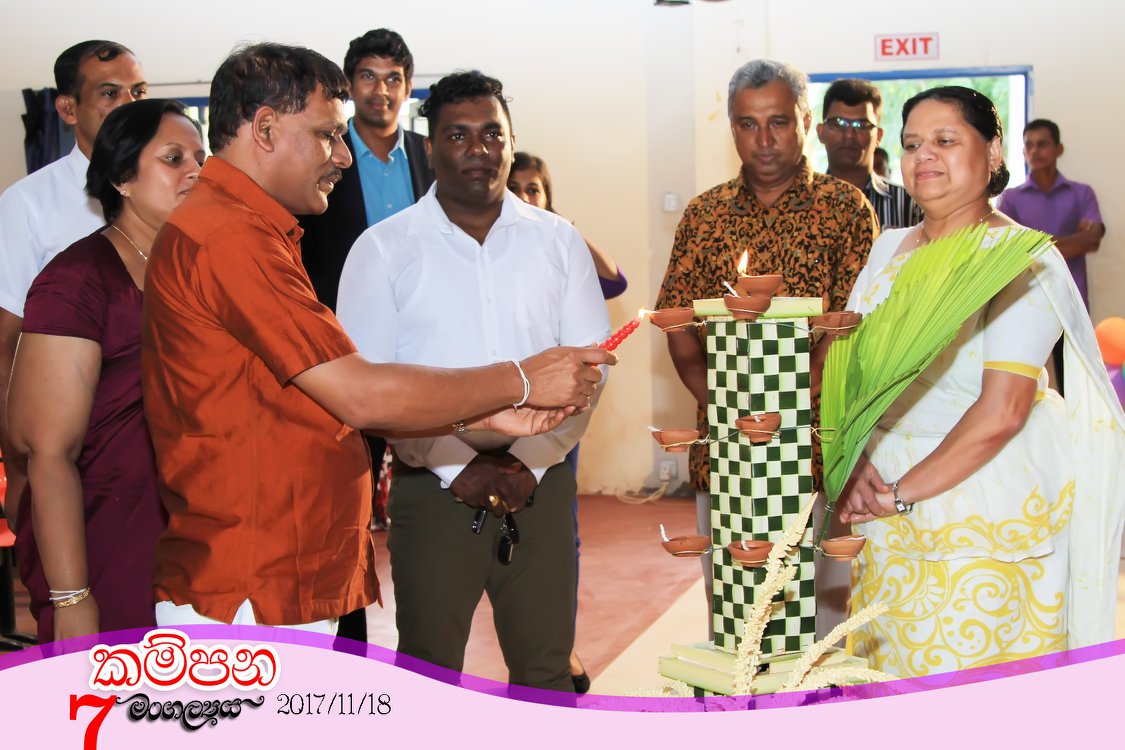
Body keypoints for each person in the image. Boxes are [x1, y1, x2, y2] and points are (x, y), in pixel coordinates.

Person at [142, 44, 613, 634]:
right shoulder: (229, 236)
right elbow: (361, 392)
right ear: (264, 129)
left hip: (278, 565)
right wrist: (518, 381)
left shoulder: (250, 230)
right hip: (252, 581)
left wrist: (494, 412)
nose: (343, 156)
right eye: (327, 135)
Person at [837, 87, 1125, 677]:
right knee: (892, 675)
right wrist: (855, 462)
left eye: (945, 140)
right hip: (882, 492)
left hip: (980, 496)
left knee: (968, 677)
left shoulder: (1018, 258)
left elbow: (1004, 410)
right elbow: (851, 369)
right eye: (912, 144)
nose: (924, 155)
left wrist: (899, 494)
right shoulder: (888, 248)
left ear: (993, 153)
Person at [337, 71, 609, 693]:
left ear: (512, 142)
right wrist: (455, 465)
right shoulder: (383, 250)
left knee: (544, 671)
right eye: (458, 135)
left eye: (492, 133)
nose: (478, 149)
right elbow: (369, 385)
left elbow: (588, 369)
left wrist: (530, 463)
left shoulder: (558, 242)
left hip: (541, 485)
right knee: (429, 671)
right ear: (430, 148)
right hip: (432, 490)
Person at [655, 59, 876, 632]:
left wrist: (791, 408)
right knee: (736, 610)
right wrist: (724, 406)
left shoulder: (845, 210)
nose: (764, 140)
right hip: (726, 448)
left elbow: (853, 326)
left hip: (814, 446)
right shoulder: (704, 216)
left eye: (778, 122)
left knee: (818, 615)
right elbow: (679, 326)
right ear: (732, 128)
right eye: (747, 124)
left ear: (804, 120)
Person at [8, 99, 203, 643]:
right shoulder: (78, 279)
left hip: (190, 528)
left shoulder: (199, 268)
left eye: (201, 158)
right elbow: (47, 452)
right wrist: (72, 597)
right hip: (103, 530)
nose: (195, 172)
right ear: (121, 177)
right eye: (174, 158)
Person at [297, 27, 435, 640]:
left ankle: (430, 626)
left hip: (425, 347)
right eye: (368, 77)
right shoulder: (325, 153)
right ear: (350, 86)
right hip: (342, 353)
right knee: (345, 499)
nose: (381, 90)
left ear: (408, 87)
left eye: (393, 79)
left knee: (436, 484)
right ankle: (348, 633)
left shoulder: (432, 154)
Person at [0, 40, 147, 532]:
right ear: (67, 109)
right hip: (68, 447)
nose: (128, 105)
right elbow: (6, 344)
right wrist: (20, 467)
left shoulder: (172, 192)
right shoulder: (28, 203)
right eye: (110, 93)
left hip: (160, 440)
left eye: (138, 91)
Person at [506, 150, 623, 693]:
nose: (525, 197)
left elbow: (615, 279)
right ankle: (527, 644)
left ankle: (560, 643)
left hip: (558, 410)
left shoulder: (560, 244)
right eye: (516, 188)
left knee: (557, 529)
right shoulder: (492, 246)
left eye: (535, 189)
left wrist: (563, 227)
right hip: (498, 402)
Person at [997, 119, 1105, 395]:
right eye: (1029, 145)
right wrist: (1073, 240)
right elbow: (1011, 252)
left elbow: (1092, 240)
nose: (1035, 151)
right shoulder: (1010, 199)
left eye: (1042, 144)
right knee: (1023, 384)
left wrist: (1034, 244)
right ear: (1023, 152)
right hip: (1026, 300)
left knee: (1075, 384)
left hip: (1072, 298)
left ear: (1059, 149)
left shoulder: (1081, 193)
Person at [816, 78, 922, 230]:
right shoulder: (800, 201)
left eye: (861, 125)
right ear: (821, 132)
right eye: (839, 124)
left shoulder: (909, 205)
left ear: (878, 136)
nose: (849, 135)